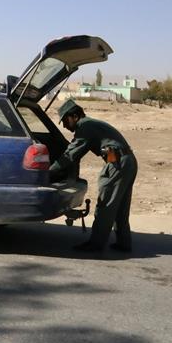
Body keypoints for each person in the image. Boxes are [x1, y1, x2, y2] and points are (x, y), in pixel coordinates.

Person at [49, 99, 138, 254]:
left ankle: (96, 244)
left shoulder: (85, 127)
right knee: (120, 206)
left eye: (65, 120)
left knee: (106, 205)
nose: (64, 125)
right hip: (128, 161)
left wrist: (48, 172)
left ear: (74, 116)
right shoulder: (91, 124)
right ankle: (124, 243)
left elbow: (71, 155)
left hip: (117, 164)